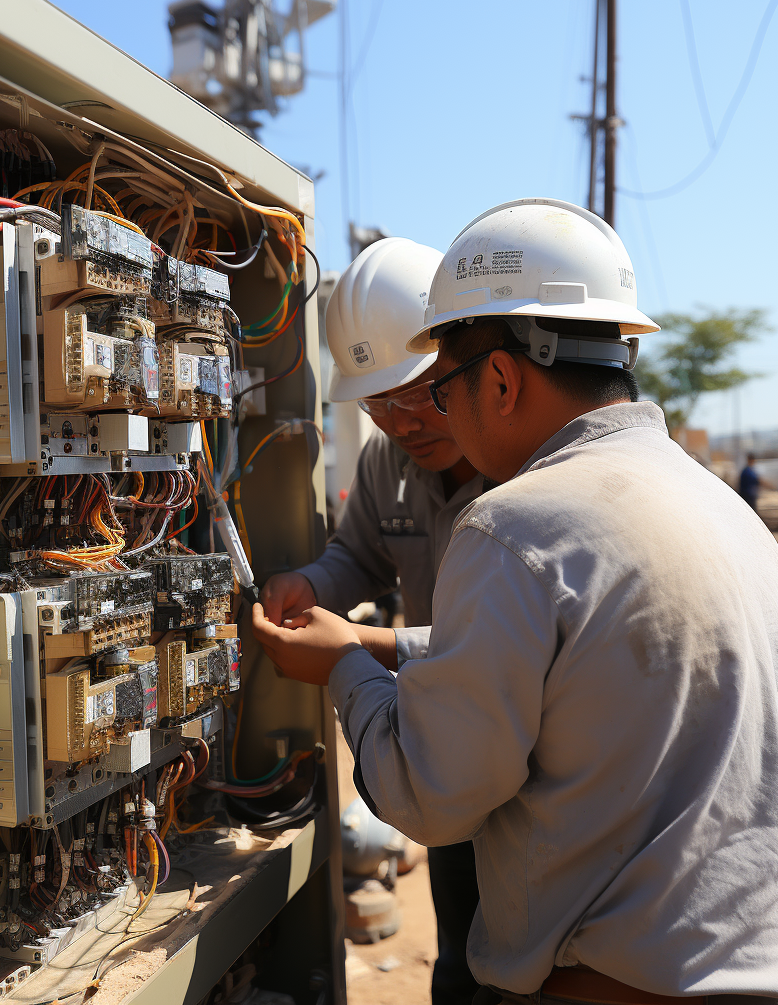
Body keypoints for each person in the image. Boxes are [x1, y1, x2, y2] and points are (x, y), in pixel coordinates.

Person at [253, 199, 778, 1005]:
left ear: (497, 379)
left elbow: (431, 793)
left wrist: (350, 666)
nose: (424, 418)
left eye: (441, 390)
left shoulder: (511, 525)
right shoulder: (720, 504)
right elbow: (579, 669)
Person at [262, 236, 487, 1005]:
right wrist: (309, 583)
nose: (397, 420)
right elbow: (358, 559)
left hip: (530, 749)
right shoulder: (388, 465)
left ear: (462, 363)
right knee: (463, 954)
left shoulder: (526, 471)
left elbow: (511, 649)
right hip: (452, 751)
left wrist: (362, 646)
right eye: (375, 401)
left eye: (416, 391)